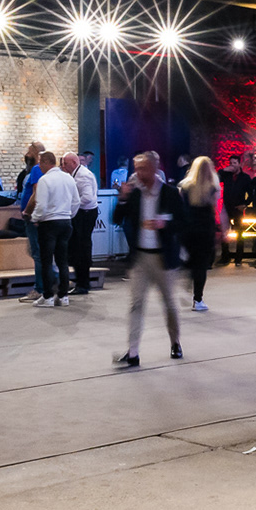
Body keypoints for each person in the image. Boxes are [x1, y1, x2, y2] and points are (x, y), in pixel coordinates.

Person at [113, 153, 184, 366]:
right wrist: (122, 198)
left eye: (142, 169)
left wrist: (165, 224)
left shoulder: (170, 193)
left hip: (163, 258)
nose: (138, 173)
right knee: (136, 304)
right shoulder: (135, 194)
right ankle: (133, 352)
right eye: (136, 169)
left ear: (154, 168)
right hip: (141, 258)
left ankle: (175, 342)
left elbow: (184, 222)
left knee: (169, 303)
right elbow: (116, 219)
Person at [27, 150, 78, 308]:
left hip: (49, 224)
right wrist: (68, 215)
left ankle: (48, 296)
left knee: (47, 261)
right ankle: (63, 296)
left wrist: (34, 218)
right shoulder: (68, 178)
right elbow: (76, 201)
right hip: (65, 222)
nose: (39, 166)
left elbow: (41, 205)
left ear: (46, 162)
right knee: (63, 261)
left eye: (40, 163)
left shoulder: (45, 180)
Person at [176, 156, 224, 312]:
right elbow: (219, 209)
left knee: (192, 261)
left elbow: (179, 208)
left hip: (188, 228)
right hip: (205, 229)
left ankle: (187, 287)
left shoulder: (184, 186)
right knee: (201, 265)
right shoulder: (212, 187)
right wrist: (224, 228)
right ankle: (198, 299)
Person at [15, 141, 48, 299]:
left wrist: (28, 212)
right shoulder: (36, 170)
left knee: (37, 253)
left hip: (33, 216)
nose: (26, 154)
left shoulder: (36, 169)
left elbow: (36, 193)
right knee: (36, 251)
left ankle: (40, 288)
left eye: (28, 151)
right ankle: (54, 279)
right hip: (36, 215)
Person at [64, 152, 99, 297]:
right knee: (78, 248)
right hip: (83, 213)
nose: (63, 166)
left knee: (81, 249)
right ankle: (82, 281)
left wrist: (71, 206)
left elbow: (87, 198)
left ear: (73, 163)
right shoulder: (77, 174)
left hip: (85, 214)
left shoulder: (83, 175)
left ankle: (83, 283)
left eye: (65, 163)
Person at [218, 155, 250, 266]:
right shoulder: (226, 176)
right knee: (224, 232)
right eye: (231, 163)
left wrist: (245, 204)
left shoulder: (245, 178)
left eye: (234, 163)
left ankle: (238, 258)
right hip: (227, 207)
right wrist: (224, 170)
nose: (232, 166)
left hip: (238, 208)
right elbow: (216, 177)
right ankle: (225, 256)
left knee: (239, 233)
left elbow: (251, 193)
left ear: (239, 164)